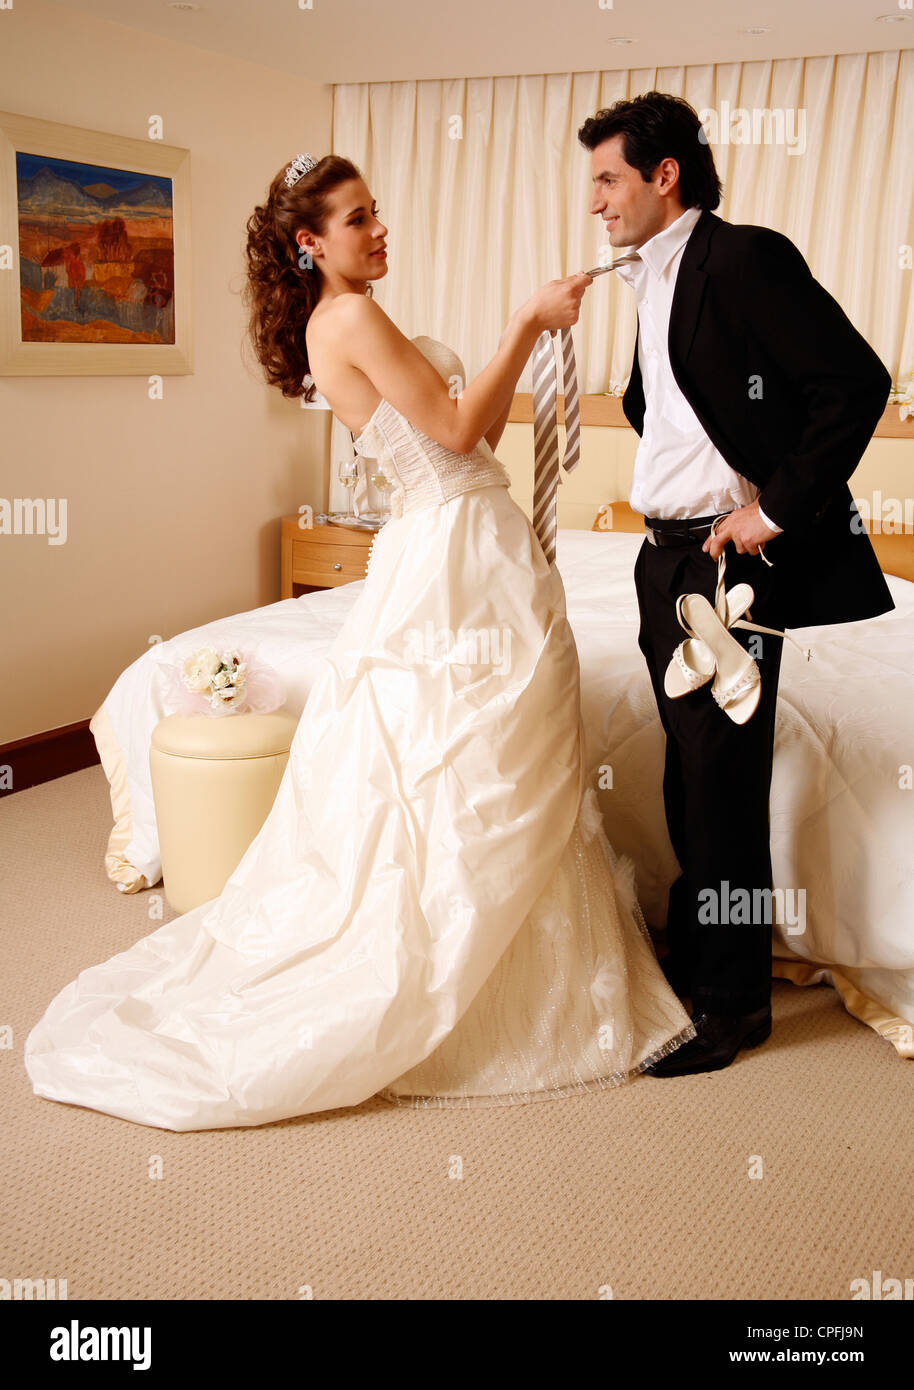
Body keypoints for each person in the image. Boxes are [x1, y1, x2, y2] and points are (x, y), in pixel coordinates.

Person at [24, 153, 694, 1131]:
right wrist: (521, 322)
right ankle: (490, 978)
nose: (378, 232)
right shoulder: (348, 318)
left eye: (376, 213)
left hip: (465, 537)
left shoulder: (338, 318)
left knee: (497, 752)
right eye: (355, 220)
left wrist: (523, 346)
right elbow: (461, 434)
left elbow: (471, 439)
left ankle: (530, 963)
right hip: (454, 552)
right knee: (480, 753)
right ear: (309, 242)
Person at [578, 92, 893, 1075]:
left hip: (727, 563)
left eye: (606, 178)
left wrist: (772, 509)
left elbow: (853, 381)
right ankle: (702, 962)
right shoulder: (645, 279)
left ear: (661, 174)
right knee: (687, 772)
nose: (592, 201)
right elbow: (660, 403)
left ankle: (731, 1006)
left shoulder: (742, 256)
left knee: (722, 778)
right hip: (659, 556)